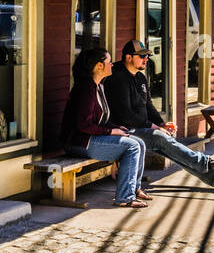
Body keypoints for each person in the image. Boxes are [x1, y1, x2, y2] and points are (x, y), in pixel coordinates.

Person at [103, 39, 214, 189]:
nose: (146, 59)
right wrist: (154, 127)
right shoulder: (117, 79)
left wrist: (161, 123)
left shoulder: (140, 77)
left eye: (147, 56)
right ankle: (210, 164)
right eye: (141, 56)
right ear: (129, 58)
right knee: (159, 138)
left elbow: (149, 106)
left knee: (165, 142)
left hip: (140, 129)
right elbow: (126, 115)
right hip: (122, 131)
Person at [59, 47, 148, 208]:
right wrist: (110, 131)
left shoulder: (98, 86)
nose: (112, 64)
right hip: (78, 143)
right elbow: (83, 125)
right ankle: (124, 197)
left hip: (91, 139)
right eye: (109, 62)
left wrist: (116, 127)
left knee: (139, 142)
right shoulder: (86, 89)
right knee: (132, 146)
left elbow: (100, 120)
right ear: (99, 66)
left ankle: (134, 189)